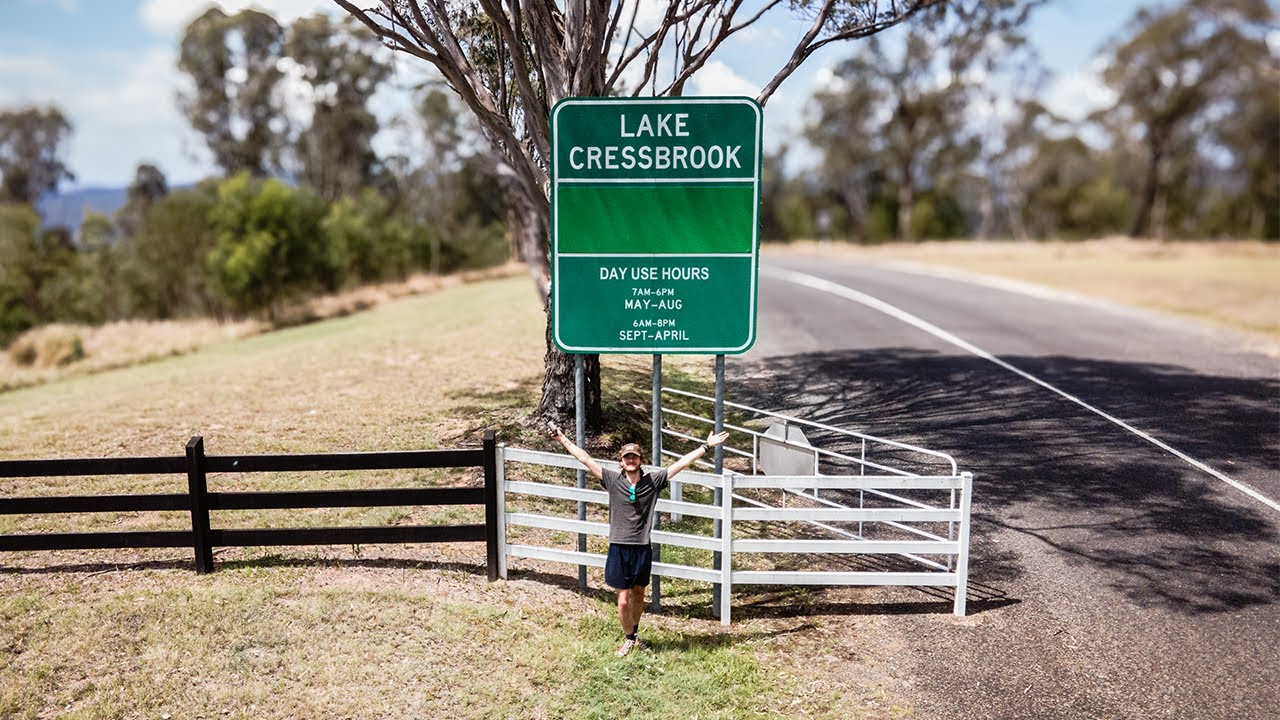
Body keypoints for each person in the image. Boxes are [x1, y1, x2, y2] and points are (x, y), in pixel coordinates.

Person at [551, 425, 729, 657]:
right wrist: (561, 438)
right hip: (619, 547)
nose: (631, 460)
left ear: (640, 460)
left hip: (642, 548)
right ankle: (628, 639)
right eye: (627, 457)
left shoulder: (653, 482)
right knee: (623, 601)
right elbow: (584, 459)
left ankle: (633, 635)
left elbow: (680, 464)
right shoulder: (612, 480)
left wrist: (705, 446)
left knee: (639, 596)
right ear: (621, 462)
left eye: (634, 457)